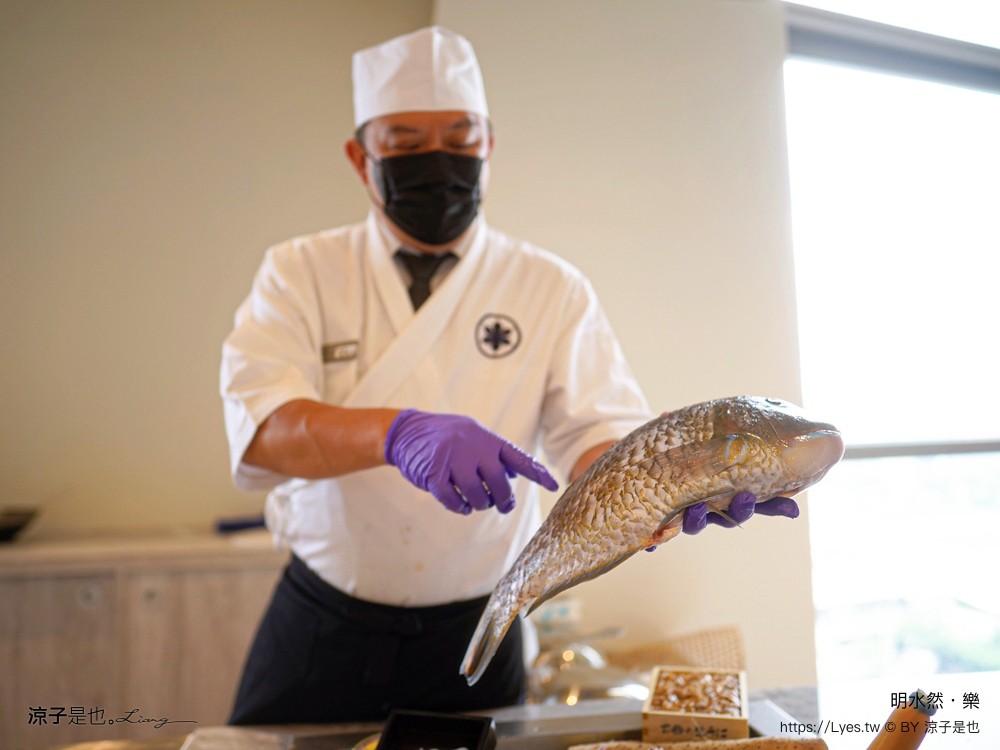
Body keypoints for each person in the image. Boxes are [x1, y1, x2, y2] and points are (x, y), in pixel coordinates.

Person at [220, 26, 797, 725]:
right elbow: (264, 431)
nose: (437, 161)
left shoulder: (549, 287)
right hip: (322, 626)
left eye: (460, 139)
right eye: (405, 142)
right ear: (359, 157)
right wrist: (397, 433)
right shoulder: (301, 271)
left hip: (479, 627)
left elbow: (598, 443)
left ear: (489, 145)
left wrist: (672, 490)